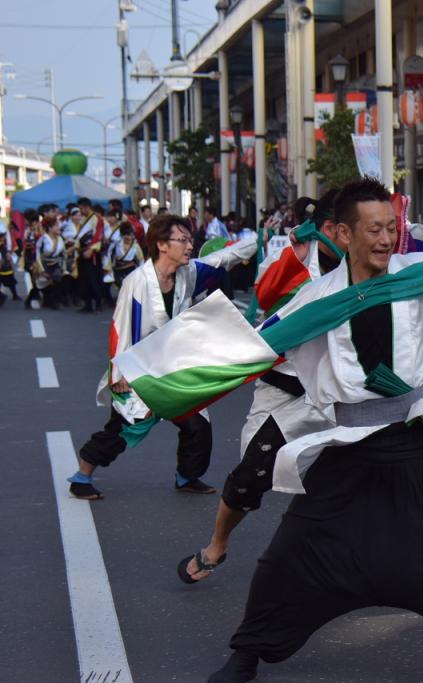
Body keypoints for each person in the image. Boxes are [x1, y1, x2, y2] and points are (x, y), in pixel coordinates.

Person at [205, 177, 423, 683]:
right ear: (341, 233)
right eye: (374, 229)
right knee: (288, 558)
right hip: (348, 450)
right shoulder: (315, 299)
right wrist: (165, 380)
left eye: (391, 228)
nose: (386, 239)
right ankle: (247, 653)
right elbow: (250, 351)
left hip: (416, 444)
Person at [177, 192, 342, 585]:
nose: (380, 236)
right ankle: (218, 544)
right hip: (282, 385)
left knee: (338, 478)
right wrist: (293, 258)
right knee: (250, 477)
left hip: (338, 393)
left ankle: (319, 559)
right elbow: (267, 297)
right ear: (332, 229)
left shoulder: (377, 270)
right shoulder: (295, 259)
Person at [66, 214, 257, 500]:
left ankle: (187, 476)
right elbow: (120, 327)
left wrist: (262, 239)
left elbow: (225, 257)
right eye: (182, 240)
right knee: (123, 427)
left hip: (171, 369)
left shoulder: (188, 273)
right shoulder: (137, 282)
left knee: (197, 424)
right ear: (162, 245)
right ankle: (82, 476)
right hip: (137, 368)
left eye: (190, 240)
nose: (190, 246)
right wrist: (119, 374)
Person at [73, 198, 106, 313]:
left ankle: (97, 302)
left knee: (94, 279)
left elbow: (99, 236)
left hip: (92, 254)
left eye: (82, 208)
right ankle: (87, 304)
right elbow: (78, 236)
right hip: (82, 252)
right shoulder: (83, 220)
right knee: (83, 279)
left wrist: (91, 249)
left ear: (87, 207)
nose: (81, 211)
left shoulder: (96, 219)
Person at [35, 217, 66, 309]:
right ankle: (36, 298)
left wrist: (63, 267)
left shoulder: (60, 239)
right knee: (42, 284)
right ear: (50, 228)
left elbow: (63, 254)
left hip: (56, 265)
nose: (58, 228)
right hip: (44, 264)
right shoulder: (43, 239)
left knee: (58, 281)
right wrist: (41, 270)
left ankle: (54, 302)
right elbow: (37, 254)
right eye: (56, 226)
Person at [107, 222, 144, 287]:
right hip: (118, 270)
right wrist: (109, 269)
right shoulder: (116, 243)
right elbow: (109, 255)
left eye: (131, 235)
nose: (129, 237)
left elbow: (141, 259)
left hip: (130, 270)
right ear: (123, 235)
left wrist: (141, 272)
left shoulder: (135, 246)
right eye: (127, 235)